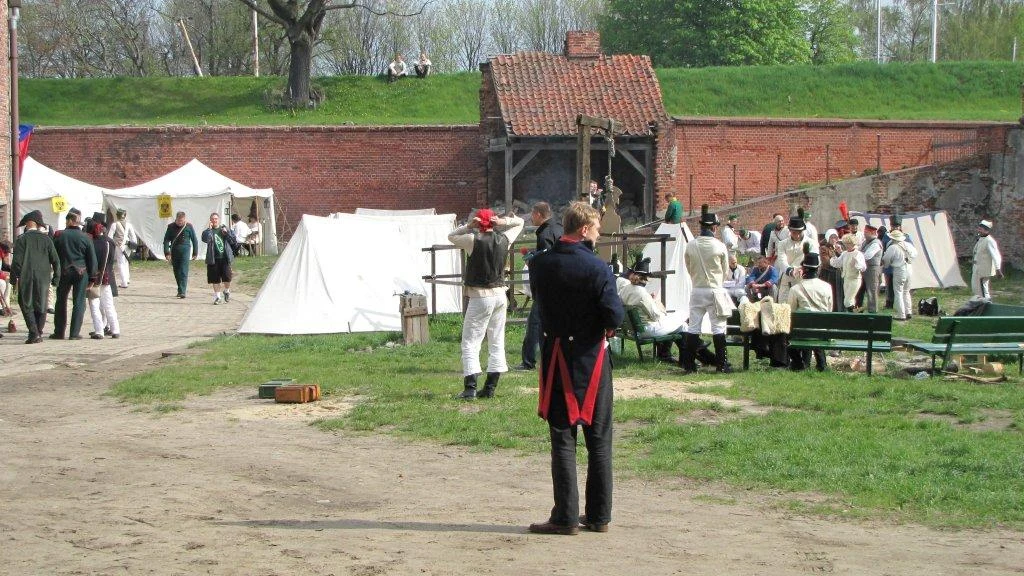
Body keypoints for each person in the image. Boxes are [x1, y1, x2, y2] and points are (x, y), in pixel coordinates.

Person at [527, 201, 623, 535]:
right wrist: (603, 327)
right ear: (584, 229)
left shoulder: (540, 265)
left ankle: (566, 516)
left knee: (563, 439)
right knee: (599, 440)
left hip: (557, 355)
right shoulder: (598, 268)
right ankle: (598, 515)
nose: (597, 235)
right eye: (596, 229)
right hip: (591, 358)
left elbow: (540, 303)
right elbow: (614, 315)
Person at [448, 208, 524, 399]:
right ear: (493, 222)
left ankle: (470, 388)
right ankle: (489, 388)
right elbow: (521, 222)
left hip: (480, 296)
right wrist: (503, 222)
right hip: (500, 295)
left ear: (478, 222)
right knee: (496, 341)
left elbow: (451, 236)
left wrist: (468, 226)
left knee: (470, 342)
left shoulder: (472, 240)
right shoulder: (504, 239)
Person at [681, 204, 732, 374]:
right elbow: (725, 271)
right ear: (714, 228)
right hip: (714, 289)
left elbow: (688, 267)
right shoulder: (719, 246)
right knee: (718, 327)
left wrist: (697, 279)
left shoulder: (691, 245)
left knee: (693, 327)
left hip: (697, 289)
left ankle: (689, 364)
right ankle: (721, 364)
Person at [615, 257, 686, 363]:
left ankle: (667, 355)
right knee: (683, 320)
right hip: (646, 330)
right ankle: (685, 359)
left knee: (676, 324)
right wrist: (659, 306)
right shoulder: (642, 293)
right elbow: (656, 316)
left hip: (634, 329)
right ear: (646, 277)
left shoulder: (625, 289)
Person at [518, 202, 562, 371]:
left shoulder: (544, 234)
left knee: (535, 324)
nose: (531, 217)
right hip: (561, 284)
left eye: (532, 214)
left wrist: (532, 260)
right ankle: (554, 358)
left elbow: (547, 261)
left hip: (547, 287)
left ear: (538, 214)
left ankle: (528, 361)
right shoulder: (559, 228)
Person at [10, 210, 59, 344]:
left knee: (26, 303)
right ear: (37, 224)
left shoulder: (22, 239)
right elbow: (56, 260)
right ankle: (38, 331)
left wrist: (13, 278)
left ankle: (34, 332)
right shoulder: (47, 240)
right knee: (41, 304)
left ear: (28, 223)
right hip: (43, 277)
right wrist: (56, 277)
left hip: (26, 276)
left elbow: (17, 262)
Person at [51, 208, 98, 340]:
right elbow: (92, 259)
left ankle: (59, 332)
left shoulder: (59, 235)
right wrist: (93, 278)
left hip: (64, 271)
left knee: (61, 301)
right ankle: (74, 333)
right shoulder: (86, 237)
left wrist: (55, 271)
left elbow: (53, 255)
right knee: (79, 302)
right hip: (81, 272)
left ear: (68, 221)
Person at [786, 248, 832, 371]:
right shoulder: (827, 287)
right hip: (822, 331)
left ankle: (799, 363)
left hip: (802, 331)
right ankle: (821, 364)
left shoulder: (795, 289)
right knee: (816, 327)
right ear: (818, 268)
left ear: (803, 269)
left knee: (785, 334)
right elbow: (829, 310)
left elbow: (791, 312)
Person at [86, 214, 120, 340]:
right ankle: (115, 329)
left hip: (94, 277)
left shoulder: (91, 243)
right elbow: (110, 261)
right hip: (107, 276)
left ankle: (99, 330)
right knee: (109, 305)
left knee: (94, 305)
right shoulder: (109, 242)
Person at [773, 213, 817, 304]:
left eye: (799, 232)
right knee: (784, 308)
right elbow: (782, 261)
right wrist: (791, 271)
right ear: (790, 231)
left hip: (804, 280)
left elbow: (815, 260)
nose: (797, 235)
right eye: (794, 233)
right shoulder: (782, 244)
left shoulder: (811, 243)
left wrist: (804, 268)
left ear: (803, 230)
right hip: (787, 280)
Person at [881, 229, 917, 321]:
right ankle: (908, 311)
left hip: (899, 269)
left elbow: (886, 260)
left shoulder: (892, 247)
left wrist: (886, 265)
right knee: (906, 291)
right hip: (909, 268)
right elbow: (915, 254)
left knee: (898, 292)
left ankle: (901, 314)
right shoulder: (908, 245)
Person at [202, 213, 236, 305]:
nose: (214, 220)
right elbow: (205, 239)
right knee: (215, 279)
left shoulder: (224, 229)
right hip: (213, 258)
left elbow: (233, 240)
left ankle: (226, 291)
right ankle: (218, 297)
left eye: (216, 219)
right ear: (210, 221)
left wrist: (227, 233)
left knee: (227, 278)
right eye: (212, 219)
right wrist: (209, 229)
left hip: (225, 257)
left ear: (219, 219)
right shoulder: (208, 231)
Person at [163, 211, 199, 299]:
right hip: (174, 250)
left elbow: (194, 240)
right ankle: (180, 289)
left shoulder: (189, 226)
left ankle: (182, 291)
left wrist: (195, 252)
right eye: (179, 221)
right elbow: (166, 240)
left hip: (185, 250)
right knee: (176, 271)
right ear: (176, 219)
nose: (180, 222)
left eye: (182, 221)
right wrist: (167, 252)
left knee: (183, 270)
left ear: (184, 219)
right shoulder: (170, 226)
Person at [830, 234, 866, 312]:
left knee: (847, 301)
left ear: (853, 244)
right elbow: (838, 264)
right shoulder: (844, 253)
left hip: (855, 279)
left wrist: (856, 263)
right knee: (850, 300)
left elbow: (863, 268)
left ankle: (856, 311)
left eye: (848, 244)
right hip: (846, 279)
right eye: (845, 243)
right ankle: (855, 314)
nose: (846, 245)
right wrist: (834, 256)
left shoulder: (858, 254)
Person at [106, 208, 137, 289]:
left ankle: (124, 282)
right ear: (125, 215)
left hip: (119, 246)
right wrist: (133, 248)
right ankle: (127, 279)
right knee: (125, 262)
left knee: (121, 264)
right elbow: (133, 237)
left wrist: (114, 244)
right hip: (128, 246)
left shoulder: (114, 225)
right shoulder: (129, 225)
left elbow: (109, 237)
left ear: (117, 215)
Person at [971, 219, 1002, 299]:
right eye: (978, 229)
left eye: (980, 229)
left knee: (983, 290)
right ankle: (980, 303)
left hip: (983, 270)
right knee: (976, 289)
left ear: (986, 230)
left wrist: (998, 269)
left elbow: (996, 255)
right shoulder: (981, 239)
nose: (979, 230)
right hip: (977, 269)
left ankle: (987, 304)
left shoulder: (989, 241)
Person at [856, 224, 883, 313]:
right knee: (859, 289)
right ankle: (858, 308)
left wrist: (857, 255)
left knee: (872, 290)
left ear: (872, 233)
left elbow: (868, 255)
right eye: (864, 232)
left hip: (872, 269)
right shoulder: (865, 242)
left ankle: (873, 311)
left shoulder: (876, 243)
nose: (864, 234)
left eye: (866, 232)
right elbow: (859, 250)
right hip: (864, 269)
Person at [818, 229, 841, 311]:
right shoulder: (823, 248)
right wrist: (836, 260)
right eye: (832, 237)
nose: (834, 240)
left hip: (837, 274)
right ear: (828, 238)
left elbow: (842, 260)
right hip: (827, 274)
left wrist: (839, 252)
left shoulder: (838, 248)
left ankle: (837, 309)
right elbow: (826, 262)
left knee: (837, 293)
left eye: (835, 237)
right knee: (829, 292)